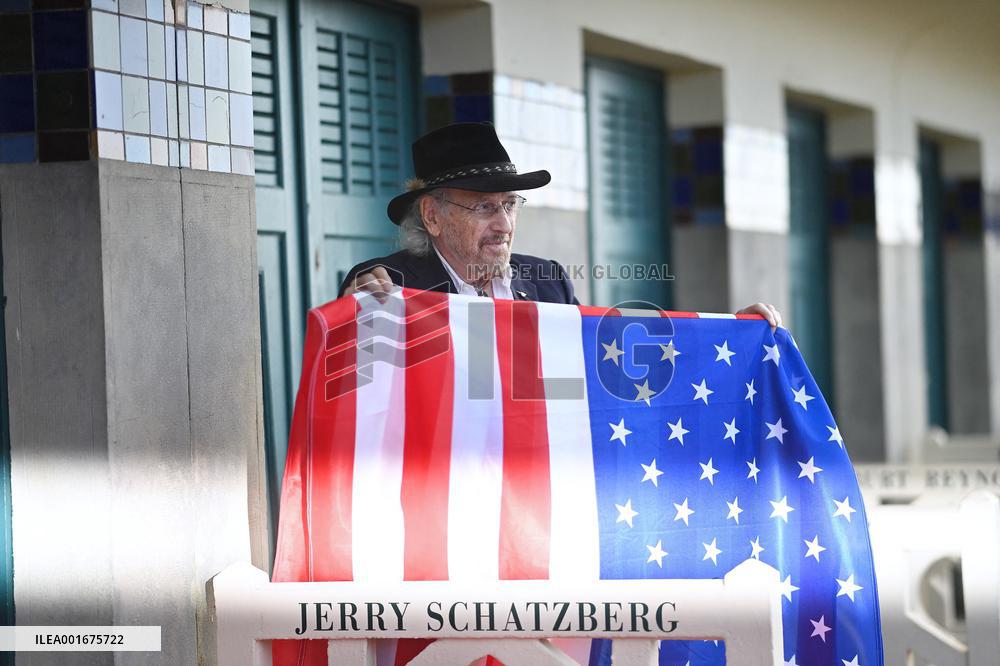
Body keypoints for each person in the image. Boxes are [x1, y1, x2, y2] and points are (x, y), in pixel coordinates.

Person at [338, 122, 782, 329]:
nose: (504, 224)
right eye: (484, 207)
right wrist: (356, 308)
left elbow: (604, 354)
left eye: (510, 205)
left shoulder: (546, 280)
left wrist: (734, 334)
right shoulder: (391, 284)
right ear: (433, 216)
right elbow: (351, 371)